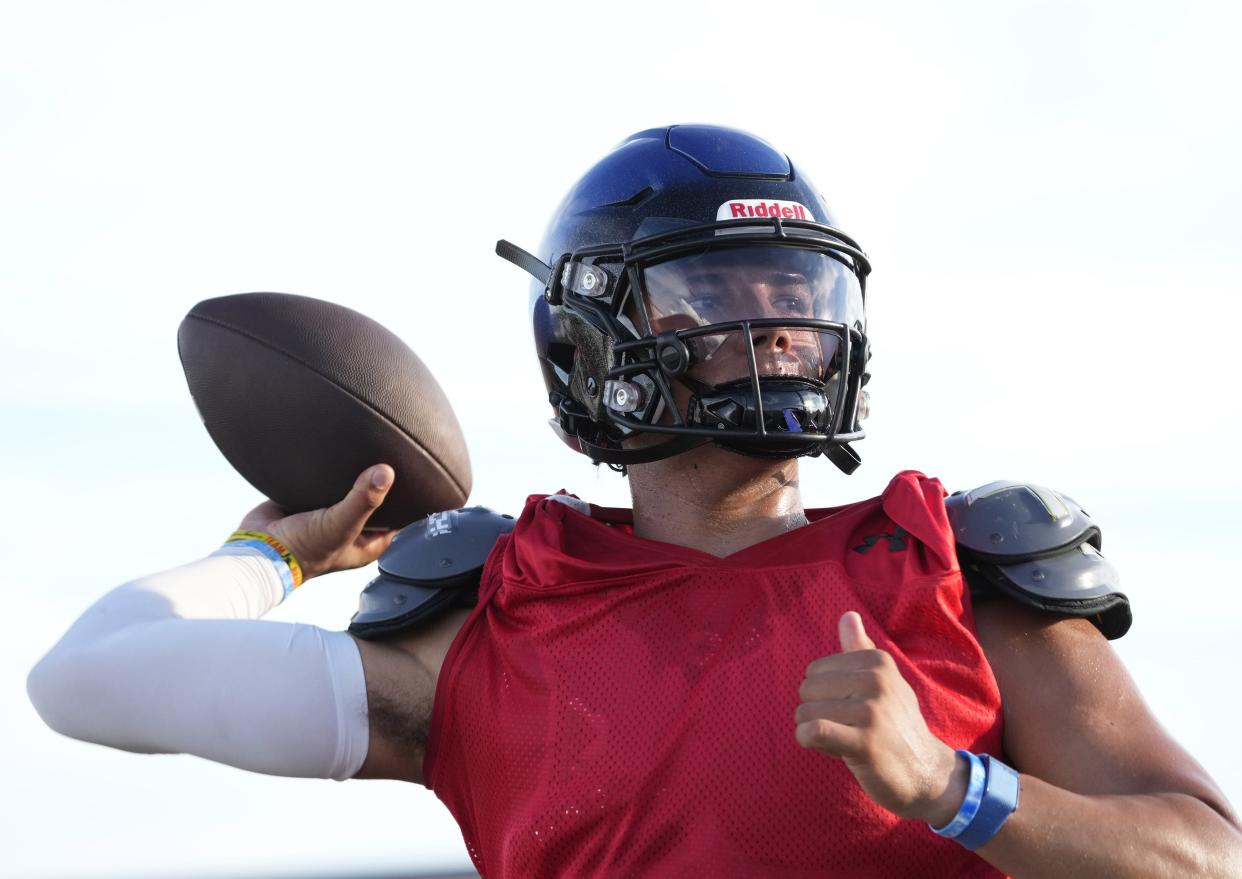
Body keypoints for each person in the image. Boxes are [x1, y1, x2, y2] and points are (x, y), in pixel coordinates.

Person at [27, 126, 1242, 878]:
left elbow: (1206, 859)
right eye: (717, 291)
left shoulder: (956, 576)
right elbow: (85, 679)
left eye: (796, 284)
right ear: (593, 339)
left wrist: (952, 788)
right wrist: (278, 555)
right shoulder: (490, 623)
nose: (776, 320)